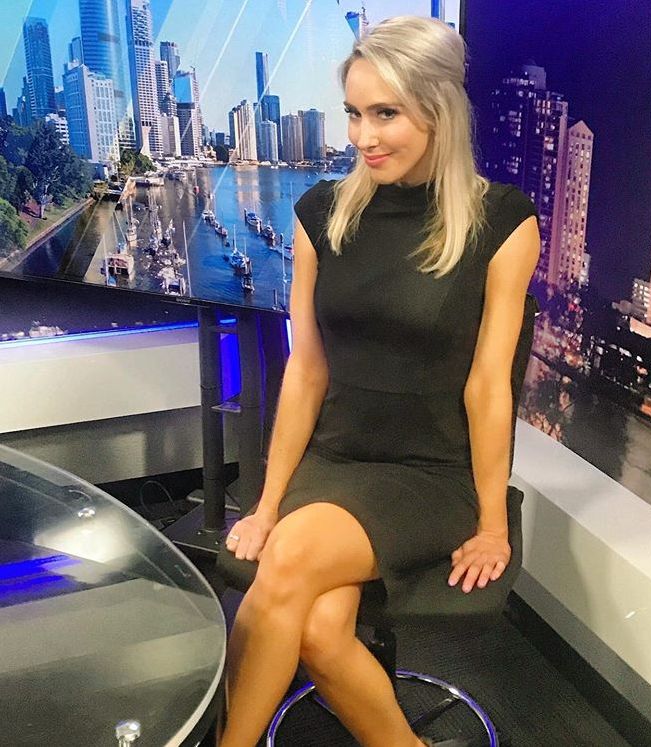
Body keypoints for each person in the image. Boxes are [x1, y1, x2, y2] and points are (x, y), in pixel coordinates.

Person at [217, 15, 540, 747]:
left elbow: (489, 386)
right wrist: (267, 503)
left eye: (385, 113)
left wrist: (491, 521)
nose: (363, 136)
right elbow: (306, 370)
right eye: (354, 113)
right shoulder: (321, 213)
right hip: (335, 456)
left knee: (287, 565)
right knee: (320, 631)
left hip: (428, 471)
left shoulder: (502, 221)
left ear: (439, 110)